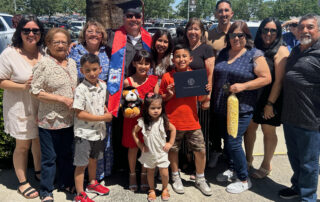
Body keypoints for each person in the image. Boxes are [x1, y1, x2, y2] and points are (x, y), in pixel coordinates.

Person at [212, 21, 271, 193]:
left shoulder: (254, 54)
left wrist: (243, 86)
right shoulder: (223, 53)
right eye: (233, 35)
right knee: (227, 140)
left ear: (246, 36)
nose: (236, 38)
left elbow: (266, 78)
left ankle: (244, 179)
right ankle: (232, 168)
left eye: (240, 35)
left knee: (234, 142)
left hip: (242, 107)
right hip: (222, 105)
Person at [30, 28, 77, 202]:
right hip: (49, 120)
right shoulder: (44, 64)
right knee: (49, 158)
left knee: (66, 155)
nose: (60, 45)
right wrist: (60, 98)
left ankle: (65, 182)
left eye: (63, 42)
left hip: (69, 119)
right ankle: (46, 191)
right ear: (48, 44)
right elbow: (35, 91)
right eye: (55, 42)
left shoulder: (72, 62)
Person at [0, 14, 44, 199]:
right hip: (19, 106)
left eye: (35, 30)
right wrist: (23, 86)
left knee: (38, 142)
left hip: (41, 106)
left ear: (41, 33)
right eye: (27, 30)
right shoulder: (10, 53)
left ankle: (39, 172)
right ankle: (22, 182)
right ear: (20, 32)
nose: (31, 34)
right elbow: (1, 81)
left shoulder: (44, 51)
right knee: (23, 145)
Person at [159, 44, 212, 196]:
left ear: (190, 59)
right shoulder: (167, 77)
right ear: (173, 59)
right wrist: (169, 93)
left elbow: (201, 99)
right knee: (173, 150)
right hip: (172, 122)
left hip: (192, 121)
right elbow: (161, 100)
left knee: (200, 150)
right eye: (177, 56)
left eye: (184, 56)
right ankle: (175, 176)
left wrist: (206, 91)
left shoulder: (196, 76)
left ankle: (200, 177)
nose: (181, 59)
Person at [106, 0, 152, 172]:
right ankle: (121, 165)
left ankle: (141, 166)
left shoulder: (149, 39)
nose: (133, 19)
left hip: (140, 88)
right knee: (120, 127)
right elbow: (93, 45)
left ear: (142, 18)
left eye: (137, 16)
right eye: (129, 16)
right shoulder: (112, 36)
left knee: (139, 126)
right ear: (124, 17)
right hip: (118, 89)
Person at [278, 14, 320, 202]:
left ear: (318, 30)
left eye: (310, 27)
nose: (304, 30)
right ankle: (297, 186)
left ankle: (308, 197)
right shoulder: (296, 51)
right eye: (301, 27)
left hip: (311, 119)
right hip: (290, 116)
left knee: (309, 163)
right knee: (294, 157)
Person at [244, 18, 289, 178]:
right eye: (265, 30)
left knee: (268, 130)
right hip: (254, 96)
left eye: (273, 31)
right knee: (249, 129)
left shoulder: (281, 50)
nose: (268, 34)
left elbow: (279, 80)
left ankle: (266, 164)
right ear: (261, 31)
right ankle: (248, 159)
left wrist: (270, 104)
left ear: (278, 33)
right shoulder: (256, 48)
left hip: (271, 97)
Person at [69, 20, 113, 182]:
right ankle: (83, 178)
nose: (94, 34)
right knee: (84, 142)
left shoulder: (107, 52)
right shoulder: (75, 51)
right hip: (84, 101)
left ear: (102, 36)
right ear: (84, 34)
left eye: (98, 32)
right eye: (90, 31)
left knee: (101, 140)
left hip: (103, 100)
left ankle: (99, 176)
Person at [72, 54, 112, 202]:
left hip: (98, 132)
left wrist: (107, 110)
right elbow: (80, 113)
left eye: (95, 69)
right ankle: (80, 193)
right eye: (87, 70)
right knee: (81, 164)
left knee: (93, 159)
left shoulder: (103, 85)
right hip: (84, 133)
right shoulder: (80, 89)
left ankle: (92, 183)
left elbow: (101, 103)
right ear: (82, 71)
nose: (92, 73)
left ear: (100, 69)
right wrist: (103, 118)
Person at [122, 50, 158, 192]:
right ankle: (132, 174)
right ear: (134, 63)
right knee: (133, 148)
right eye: (140, 63)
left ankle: (143, 174)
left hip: (148, 120)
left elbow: (156, 102)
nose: (143, 66)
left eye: (147, 63)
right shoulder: (128, 81)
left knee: (146, 148)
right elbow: (126, 103)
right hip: (132, 121)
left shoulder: (154, 80)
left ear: (150, 65)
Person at [206, 0, 234, 168]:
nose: (223, 14)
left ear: (231, 13)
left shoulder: (238, 32)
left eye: (226, 11)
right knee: (215, 121)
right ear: (216, 14)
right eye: (220, 11)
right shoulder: (209, 35)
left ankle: (231, 155)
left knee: (231, 122)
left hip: (234, 84)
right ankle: (216, 150)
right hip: (215, 84)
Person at [132, 93, 176, 201]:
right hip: (149, 153)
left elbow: (173, 129)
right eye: (152, 108)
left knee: (164, 172)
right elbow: (134, 132)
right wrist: (140, 144)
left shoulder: (163, 120)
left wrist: (170, 143)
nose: (156, 110)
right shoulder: (142, 121)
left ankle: (165, 188)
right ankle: (151, 189)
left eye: (159, 108)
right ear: (146, 109)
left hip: (162, 152)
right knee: (150, 172)